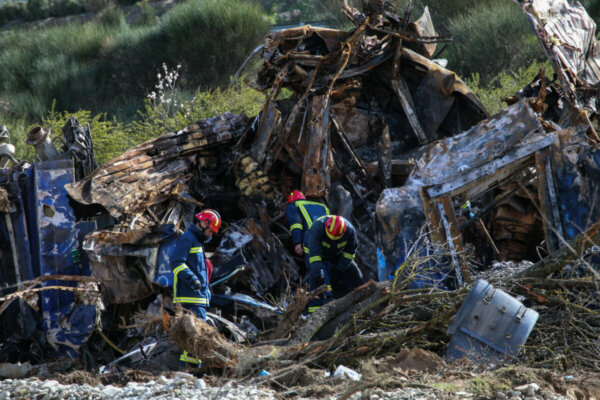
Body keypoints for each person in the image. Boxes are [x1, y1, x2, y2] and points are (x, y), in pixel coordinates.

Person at [171, 208, 221, 368]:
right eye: (210, 231)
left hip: (197, 297)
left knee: (193, 337)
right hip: (190, 297)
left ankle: (190, 370)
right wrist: (192, 280)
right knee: (196, 336)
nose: (210, 235)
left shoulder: (196, 241)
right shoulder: (188, 238)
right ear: (204, 223)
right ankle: (190, 370)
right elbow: (176, 263)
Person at [303, 215, 366, 313]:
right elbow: (315, 255)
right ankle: (315, 309)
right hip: (316, 254)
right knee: (318, 276)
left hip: (336, 254)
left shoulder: (350, 230)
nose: (332, 240)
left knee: (355, 273)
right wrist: (319, 271)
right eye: (330, 237)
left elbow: (350, 252)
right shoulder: (317, 228)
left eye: (336, 238)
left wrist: (340, 269)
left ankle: (364, 299)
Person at [285, 190, 330, 256]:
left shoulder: (292, 206)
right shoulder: (322, 206)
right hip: (329, 240)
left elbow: (296, 225)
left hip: (311, 241)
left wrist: (297, 243)